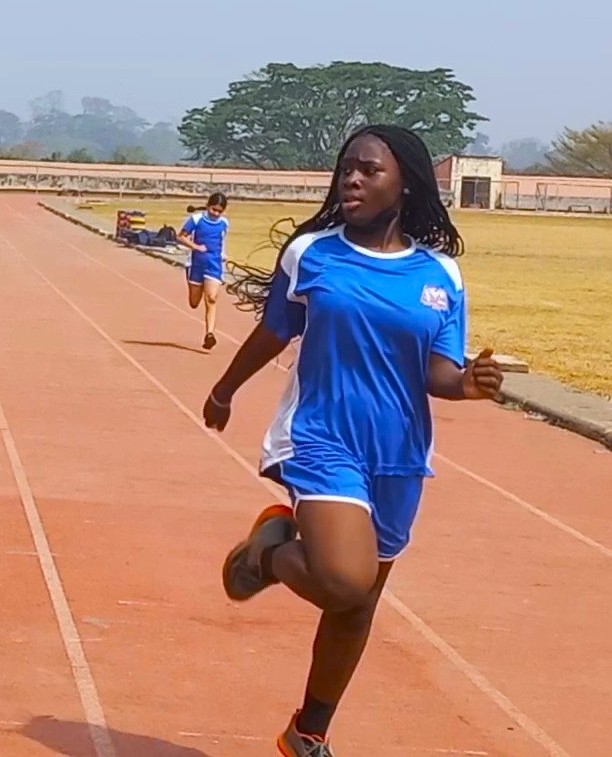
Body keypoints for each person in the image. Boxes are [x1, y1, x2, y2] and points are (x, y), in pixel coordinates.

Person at [202, 125, 503, 757]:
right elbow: (274, 330)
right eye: (347, 170)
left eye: (369, 171)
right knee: (342, 578)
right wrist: (225, 389)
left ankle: (307, 734)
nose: (353, 180)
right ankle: (266, 555)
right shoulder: (312, 254)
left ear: (407, 184)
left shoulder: (440, 274)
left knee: (357, 601)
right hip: (321, 437)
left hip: (398, 455)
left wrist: (470, 383)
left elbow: (437, 372)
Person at [179, 192, 231, 350]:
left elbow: (221, 240)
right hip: (195, 264)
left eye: (219, 211)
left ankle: (210, 334)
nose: (216, 214)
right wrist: (196, 247)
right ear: (208, 206)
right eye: (213, 210)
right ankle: (199, 288)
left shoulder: (224, 223)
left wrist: (223, 254)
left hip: (214, 265)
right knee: (194, 303)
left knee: (212, 299)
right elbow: (181, 236)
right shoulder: (196, 220)